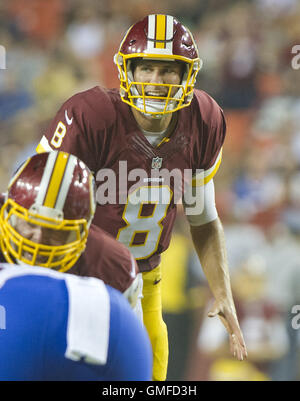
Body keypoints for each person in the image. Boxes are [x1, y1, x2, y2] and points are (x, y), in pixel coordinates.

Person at [36, 14, 247, 381]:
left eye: (168, 71)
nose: (155, 81)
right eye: (146, 68)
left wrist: (222, 291)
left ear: (187, 76)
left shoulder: (204, 119)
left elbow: (203, 217)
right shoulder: (92, 115)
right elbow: (38, 203)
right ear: (126, 71)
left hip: (146, 283)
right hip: (79, 277)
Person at [0, 151, 152, 381]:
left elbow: (124, 353)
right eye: (29, 223)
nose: (38, 239)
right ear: (7, 212)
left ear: (84, 231)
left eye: (56, 232)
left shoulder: (111, 267)